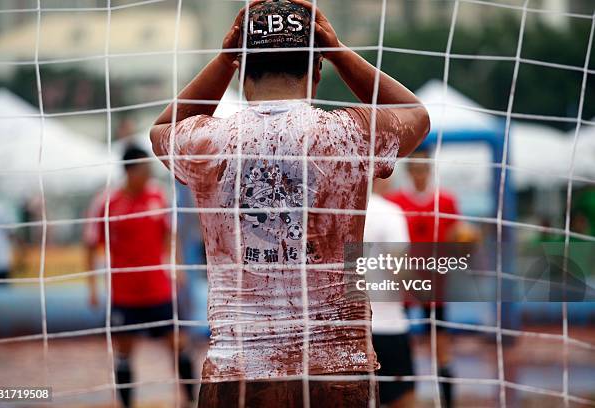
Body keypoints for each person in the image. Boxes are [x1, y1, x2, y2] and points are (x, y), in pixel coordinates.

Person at [150, 1, 429, 406]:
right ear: (317, 72)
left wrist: (226, 57)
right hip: (336, 367)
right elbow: (415, 114)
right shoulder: (347, 134)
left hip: (237, 369)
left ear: (242, 74)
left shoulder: (208, 141)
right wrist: (337, 50)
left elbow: (162, 128)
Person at [84, 146, 194, 408]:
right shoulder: (106, 203)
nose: (149, 173)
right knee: (124, 351)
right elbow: (90, 245)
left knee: (178, 343)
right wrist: (92, 287)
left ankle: (191, 400)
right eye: (144, 168)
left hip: (159, 289)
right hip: (124, 293)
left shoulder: (158, 195)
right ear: (130, 170)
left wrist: (176, 267)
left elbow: (171, 234)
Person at [386, 147, 476, 408]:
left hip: (435, 286)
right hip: (402, 285)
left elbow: (460, 242)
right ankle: (403, 397)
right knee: (402, 344)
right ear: (409, 171)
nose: (420, 173)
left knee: (441, 347)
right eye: (415, 168)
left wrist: (467, 241)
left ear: (430, 169)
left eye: (424, 168)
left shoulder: (446, 201)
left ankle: (448, 401)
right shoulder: (395, 203)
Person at [364, 178, 416, 408]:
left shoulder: (332, 209)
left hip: (343, 330)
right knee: (402, 399)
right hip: (386, 325)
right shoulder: (388, 212)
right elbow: (401, 269)